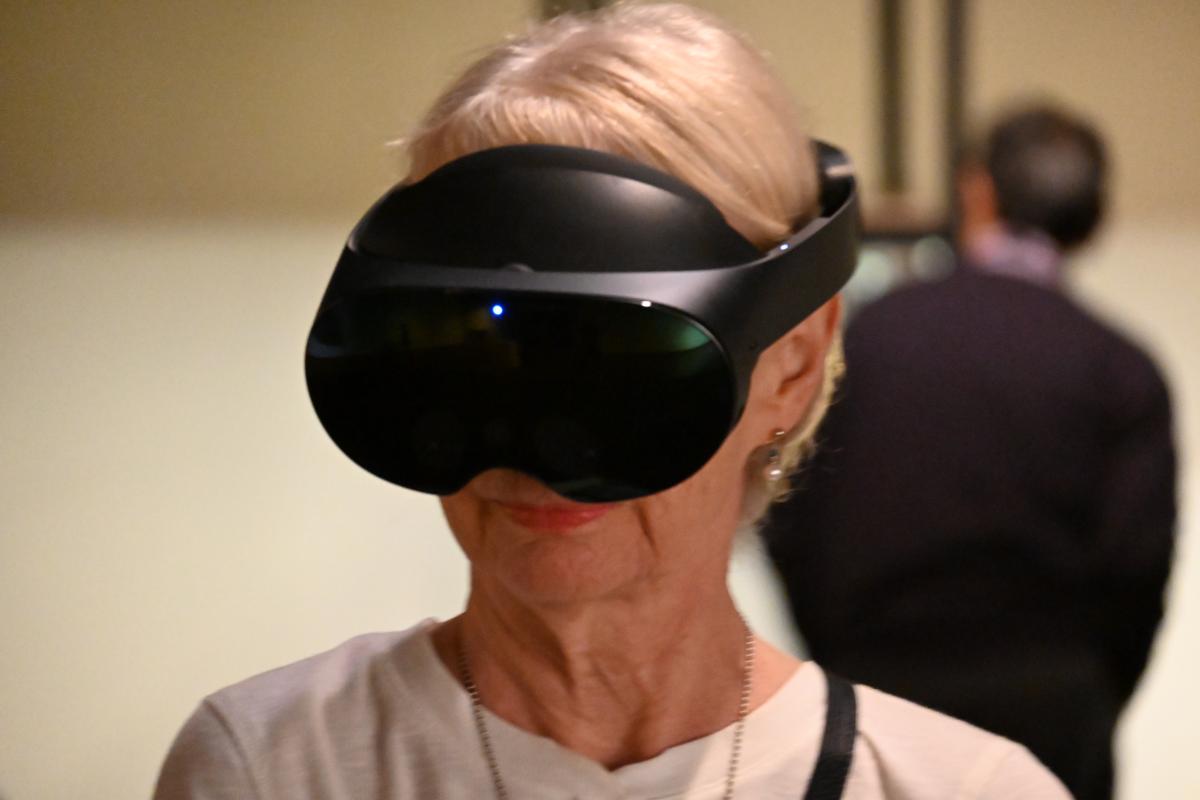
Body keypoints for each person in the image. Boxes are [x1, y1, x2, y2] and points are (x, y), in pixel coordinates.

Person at [154, 6, 1069, 799]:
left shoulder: (962, 789)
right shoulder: (268, 768)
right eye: (470, 353)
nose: (530, 446)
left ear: (792, 365)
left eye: (618, 360)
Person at [763, 102, 1177, 800]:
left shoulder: (870, 339)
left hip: (875, 694)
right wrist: (1085, 693)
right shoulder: (1120, 367)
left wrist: (837, 662)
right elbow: (1138, 567)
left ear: (976, 188)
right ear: (1094, 218)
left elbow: (790, 508)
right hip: (1055, 708)